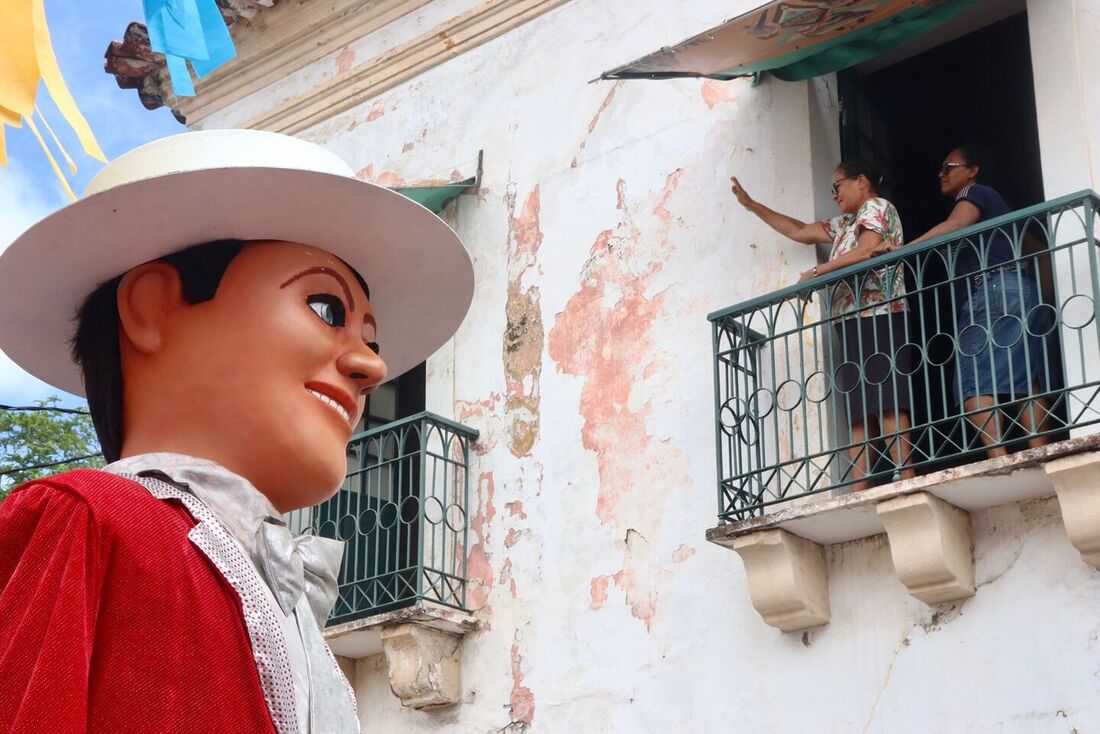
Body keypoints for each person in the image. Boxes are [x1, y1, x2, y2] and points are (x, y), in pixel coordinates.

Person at [0, 130, 474, 733]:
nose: (372, 367)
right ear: (152, 308)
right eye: (327, 309)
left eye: (371, 339)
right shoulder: (88, 521)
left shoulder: (285, 600)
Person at [731, 161, 914, 491]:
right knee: (859, 408)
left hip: (878, 313)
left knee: (885, 400)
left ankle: (907, 477)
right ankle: (860, 488)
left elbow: (867, 251)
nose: (834, 195)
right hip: (853, 320)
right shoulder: (846, 223)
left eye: (837, 186)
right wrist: (752, 205)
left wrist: (817, 273)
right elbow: (800, 232)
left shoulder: (876, 206)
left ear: (861, 181)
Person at [895, 144, 1051, 458]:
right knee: (1024, 377)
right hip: (1020, 289)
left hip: (992, 289)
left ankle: (999, 460)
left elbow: (956, 225)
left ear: (972, 170)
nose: (941, 174)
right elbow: (1036, 249)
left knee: (974, 383)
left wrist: (903, 251)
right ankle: (1041, 451)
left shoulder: (976, 192)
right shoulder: (1000, 206)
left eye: (948, 166)